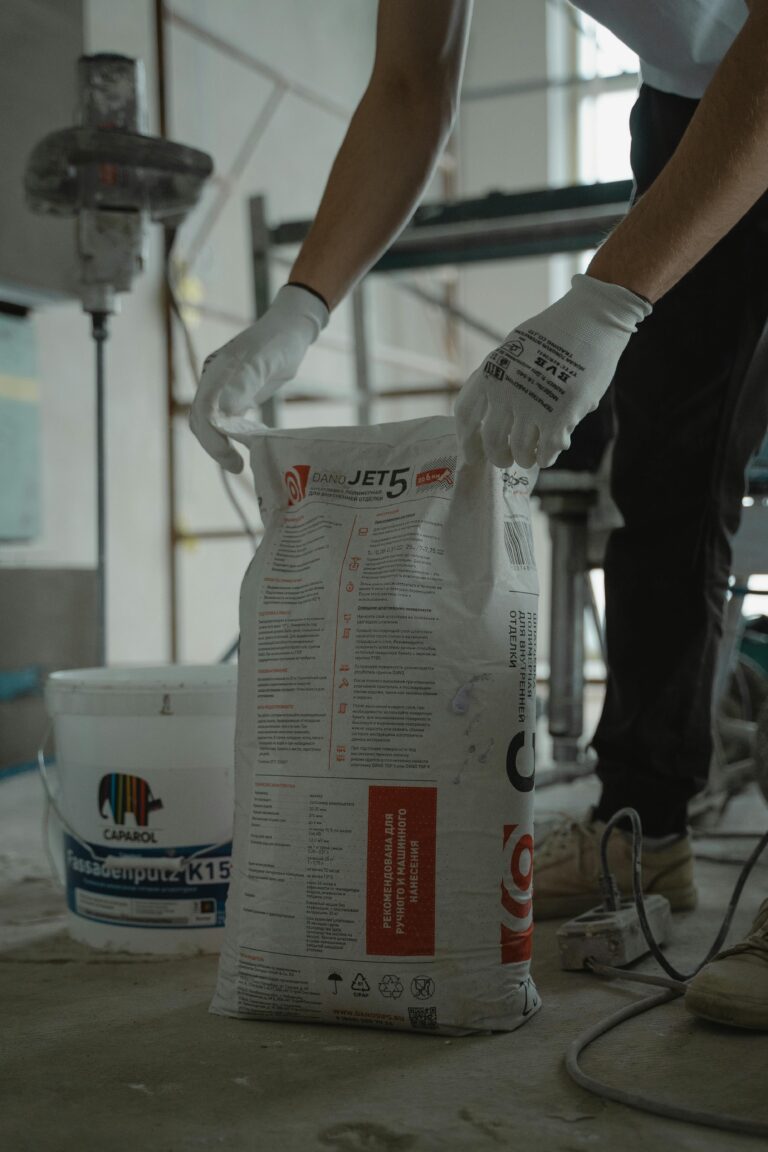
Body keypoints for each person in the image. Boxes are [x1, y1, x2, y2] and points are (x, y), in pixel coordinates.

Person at [190, 1, 768, 1031]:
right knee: (667, 469)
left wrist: (606, 299)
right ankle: (645, 826)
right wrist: (299, 310)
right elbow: (412, 87)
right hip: (691, 105)